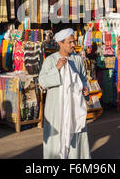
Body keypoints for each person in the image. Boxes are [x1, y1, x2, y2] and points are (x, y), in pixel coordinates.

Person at [38, 28, 91, 159]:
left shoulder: (77, 60)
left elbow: (84, 78)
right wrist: (57, 68)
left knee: (76, 139)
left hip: (74, 109)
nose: (73, 45)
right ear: (61, 43)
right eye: (70, 42)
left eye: (73, 42)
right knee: (56, 142)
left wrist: (85, 87)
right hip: (56, 110)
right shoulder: (50, 61)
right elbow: (42, 82)